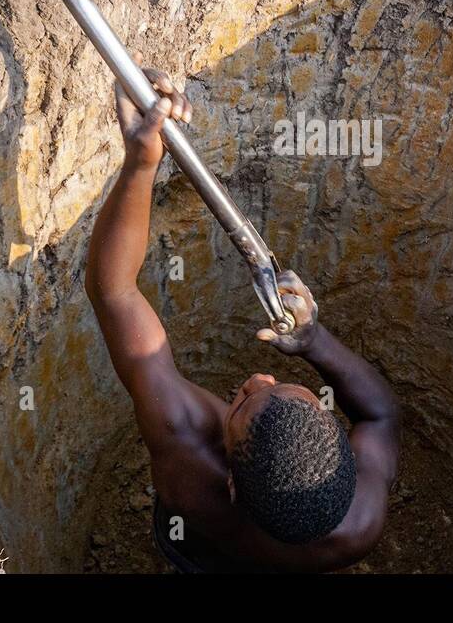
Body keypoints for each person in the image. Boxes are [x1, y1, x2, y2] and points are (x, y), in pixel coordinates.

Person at [84, 61, 400, 572]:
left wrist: (140, 165)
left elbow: (113, 291)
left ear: (229, 482)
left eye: (241, 406)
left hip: (197, 551)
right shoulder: (358, 526)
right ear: (346, 451)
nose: (259, 377)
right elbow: (382, 413)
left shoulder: (186, 449)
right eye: (277, 385)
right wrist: (314, 341)